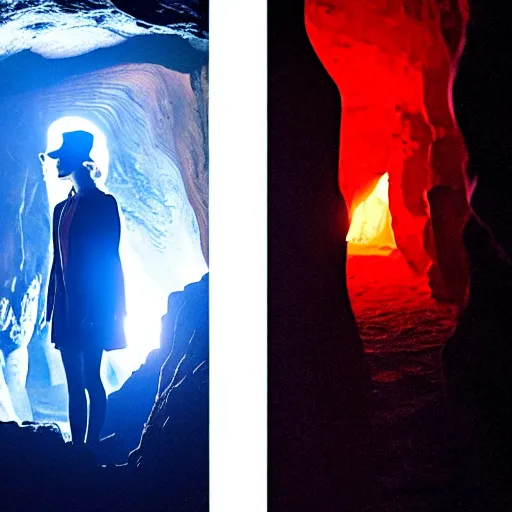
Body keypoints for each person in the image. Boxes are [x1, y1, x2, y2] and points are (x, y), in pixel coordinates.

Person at [43, 130, 127, 448]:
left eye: (61, 157)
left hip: (93, 307)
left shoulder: (103, 204)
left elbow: (108, 260)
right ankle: (78, 450)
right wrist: (51, 304)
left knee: (91, 379)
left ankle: (89, 449)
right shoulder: (61, 209)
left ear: (79, 160)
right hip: (67, 308)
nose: (57, 163)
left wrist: (100, 309)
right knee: (74, 384)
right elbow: (58, 261)